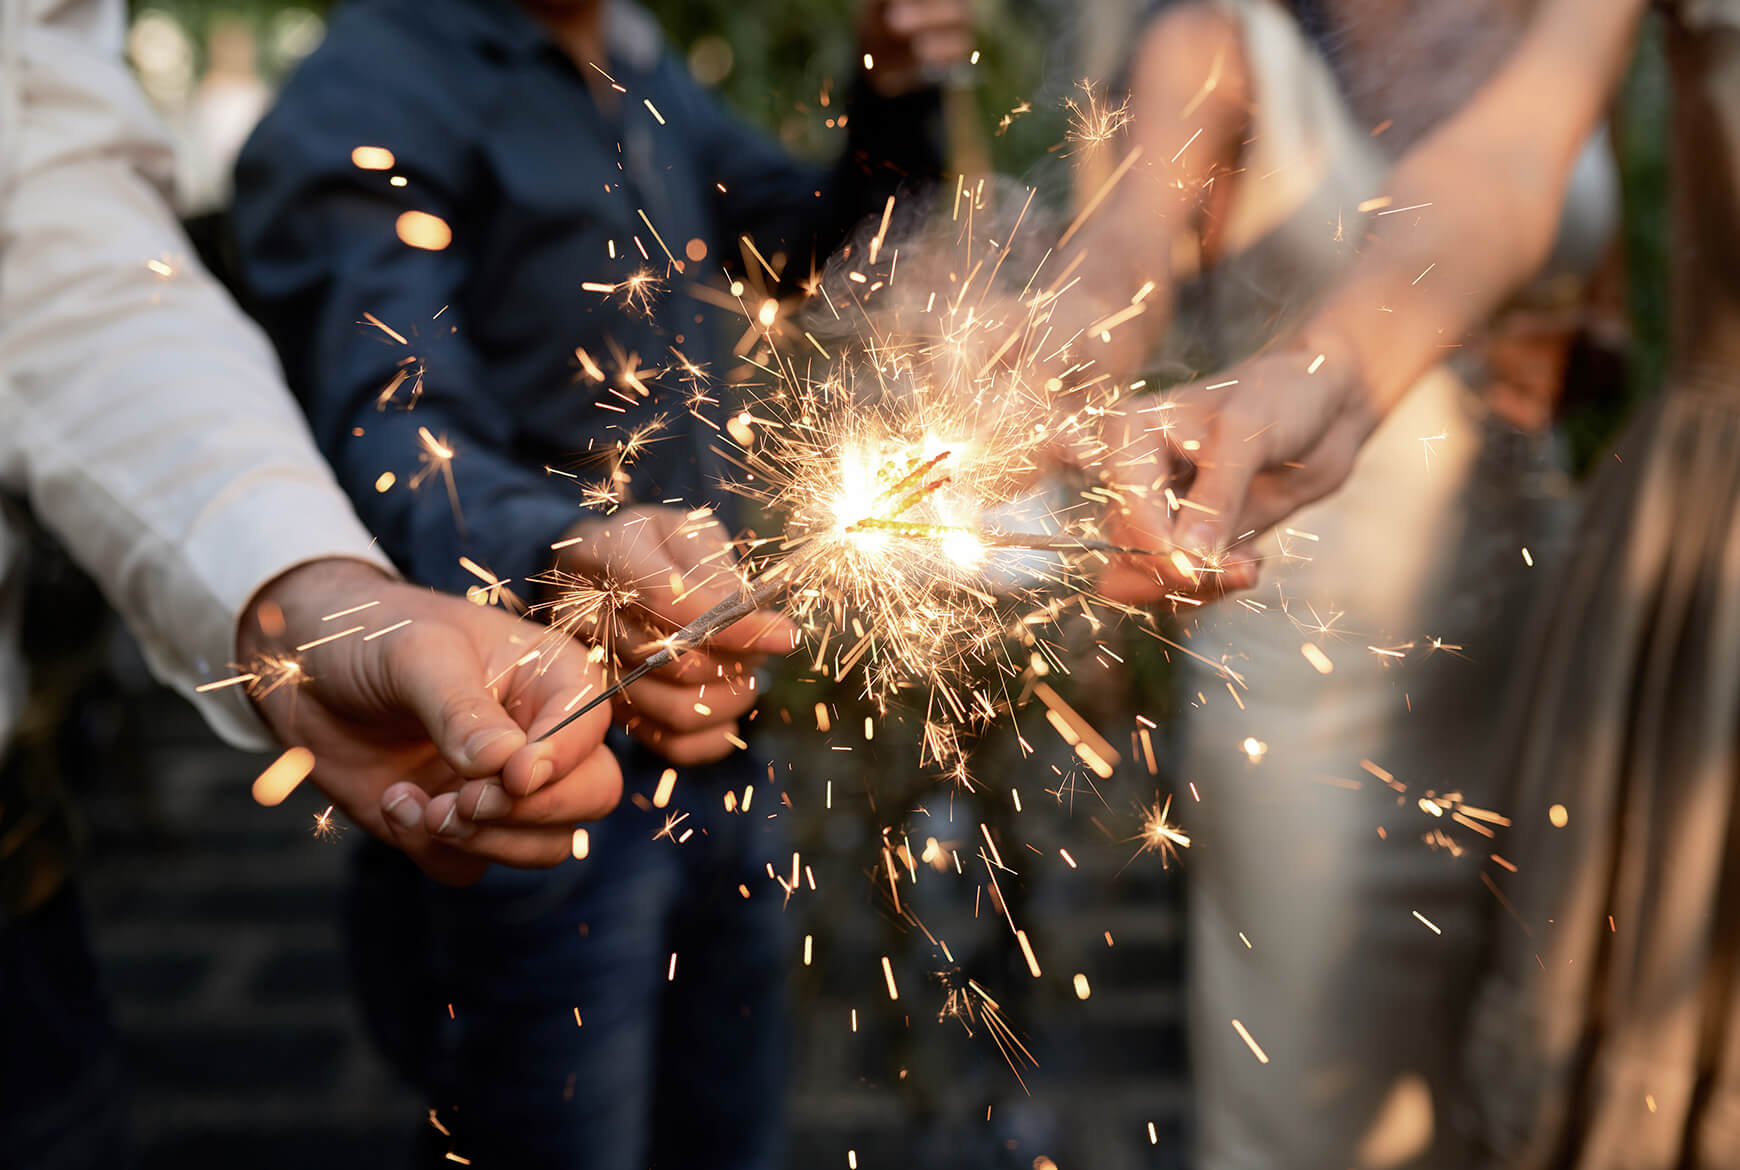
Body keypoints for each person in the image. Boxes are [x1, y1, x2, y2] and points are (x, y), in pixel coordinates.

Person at [231, 0, 970, 1164]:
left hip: (718, 737)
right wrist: (559, 551)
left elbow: (790, 239)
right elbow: (386, 426)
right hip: (530, 760)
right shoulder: (363, 101)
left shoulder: (627, 54)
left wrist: (889, 96)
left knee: (730, 1129)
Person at [0, 1, 622, 1166]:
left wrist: (304, 585)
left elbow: (44, 232)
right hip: (506, 715)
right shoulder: (367, 96)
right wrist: (537, 549)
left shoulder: (637, 76)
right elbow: (383, 392)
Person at [1050, 0, 1637, 1165]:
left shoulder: (1561, 20)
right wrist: (1052, 346)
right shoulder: (1218, 40)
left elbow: (1584, 284)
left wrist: (1557, 349)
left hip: (1539, 641)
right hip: (1316, 677)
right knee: (1313, 1103)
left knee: (1519, 1092)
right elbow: (1122, 252)